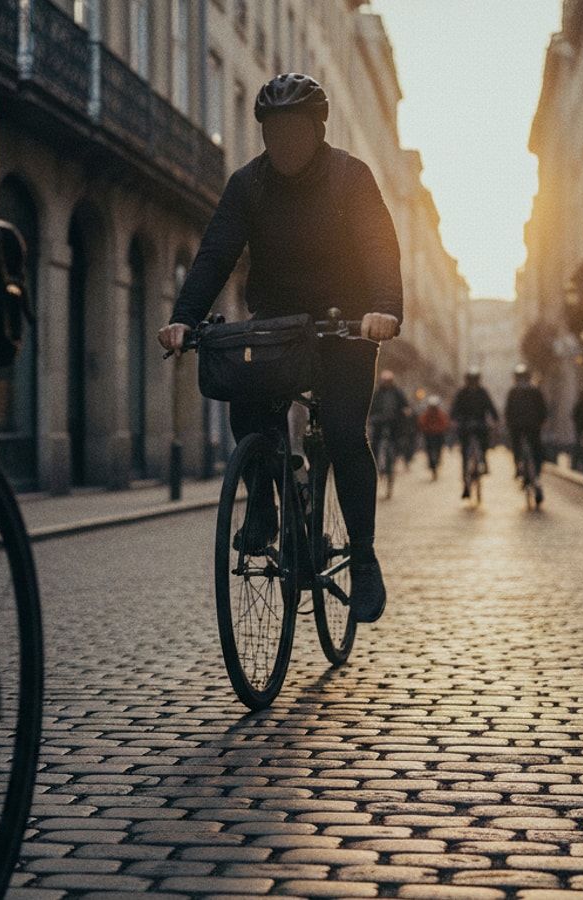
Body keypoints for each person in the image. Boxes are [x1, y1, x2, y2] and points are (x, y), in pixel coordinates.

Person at [158, 73, 402, 624]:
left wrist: (385, 309)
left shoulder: (350, 176)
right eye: (274, 132)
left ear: (317, 131)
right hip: (277, 320)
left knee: (342, 432)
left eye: (295, 131)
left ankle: (362, 559)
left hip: (346, 323)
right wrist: (183, 318)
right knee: (246, 397)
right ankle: (265, 507)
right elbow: (216, 251)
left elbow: (380, 245)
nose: (285, 143)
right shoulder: (249, 184)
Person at [450, 367, 499, 498]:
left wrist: (495, 419)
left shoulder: (483, 392)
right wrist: (454, 420)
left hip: (480, 424)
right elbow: (454, 408)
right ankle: (466, 484)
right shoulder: (462, 393)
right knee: (465, 455)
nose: (472, 383)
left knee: (484, 444)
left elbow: (490, 407)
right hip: (465, 425)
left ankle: (483, 461)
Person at [505, 364, 547, 500]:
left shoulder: (513, 391)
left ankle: (519, 467)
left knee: (516, 446)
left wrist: (509, 423)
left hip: (518, 426)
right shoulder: (535, 390)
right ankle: (537, 473)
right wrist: (541, 421)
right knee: (536, 449)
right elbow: (543, 409)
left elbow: (508, 410)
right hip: (533, 425)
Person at [369, 370, 410, 477]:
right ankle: (375, 462)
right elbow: (371, 406)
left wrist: (406, 412)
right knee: (375, 442)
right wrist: (371, 417)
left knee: (397, 439)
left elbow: (405, 404)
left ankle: (394, 458)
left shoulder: (398, 392)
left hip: (394, 421)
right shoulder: (377, 393)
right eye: (385, 381)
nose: (387, 383)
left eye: (389, 381)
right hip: (379, 421)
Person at [417, 395, 449, 479]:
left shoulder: (440, 413)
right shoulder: (427, 414)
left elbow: (444, 422)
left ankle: (437, 461)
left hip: (438, 434)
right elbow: (422, 422)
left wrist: (441, 429)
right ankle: (431, 463)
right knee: (429, 449)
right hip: (429, 434)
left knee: (439, 448)